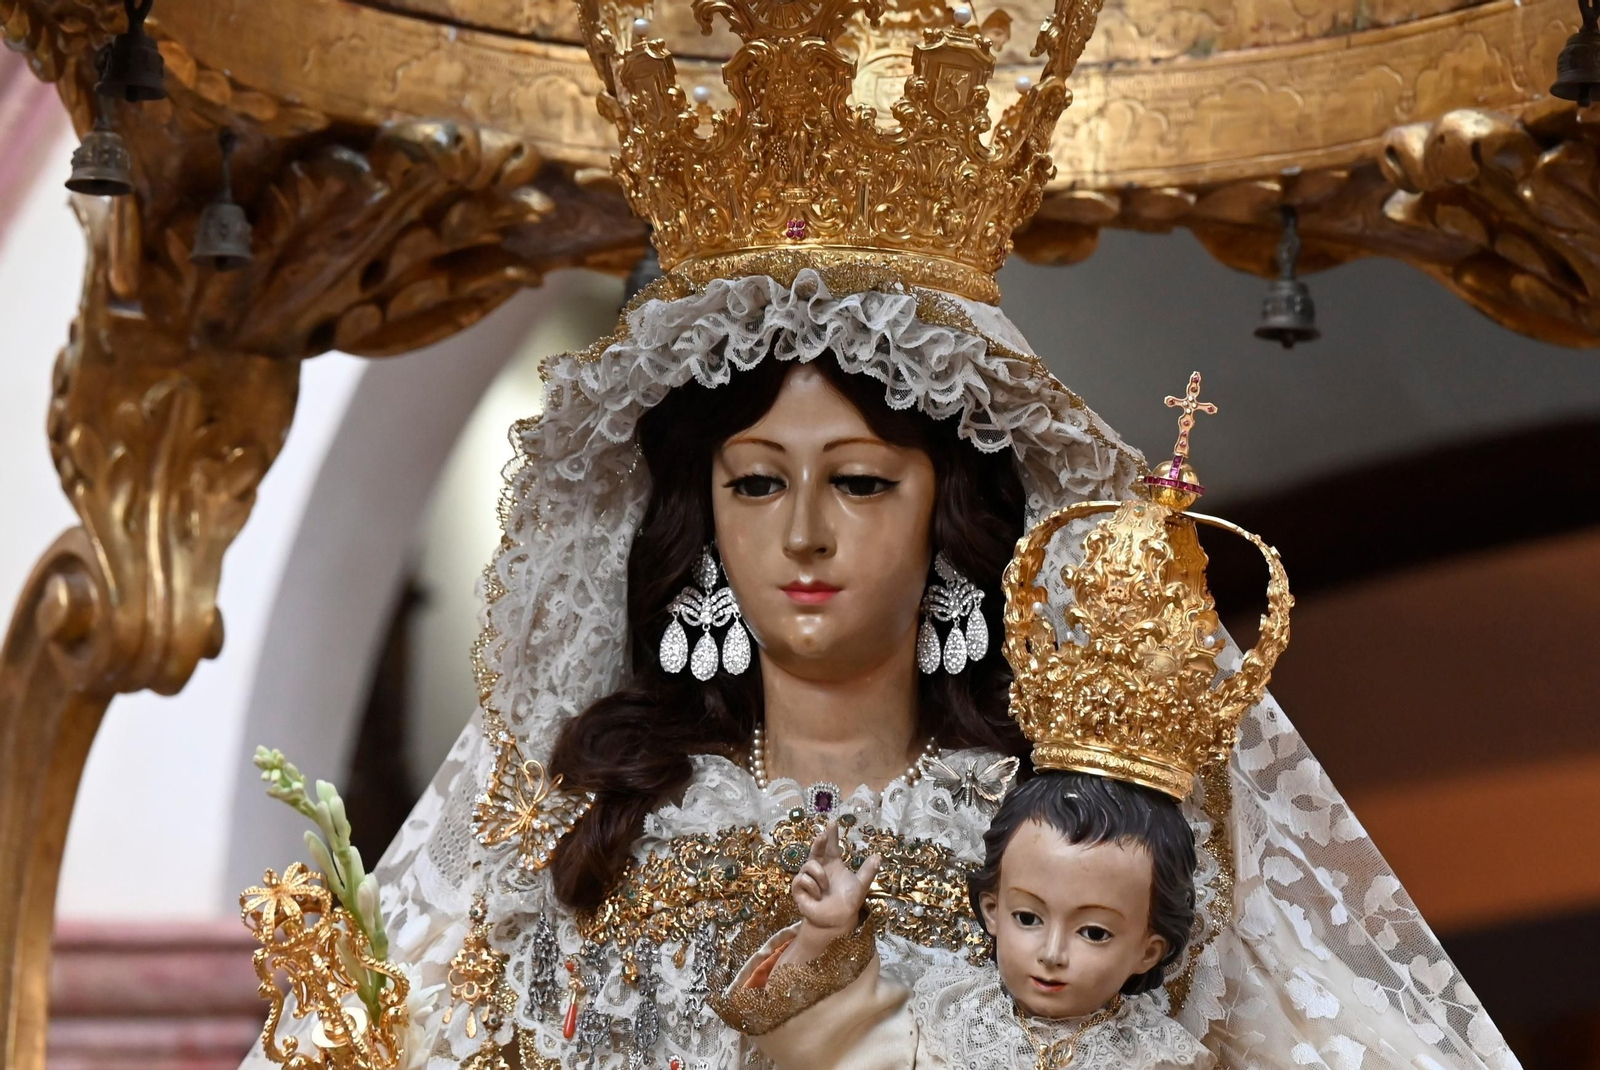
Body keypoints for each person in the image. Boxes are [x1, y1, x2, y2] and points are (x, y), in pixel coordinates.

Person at [237, 0, 1522, 1066]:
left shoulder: (1057, 839)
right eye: (753, 484)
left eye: (858, 482)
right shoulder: (590, 824)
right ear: (698, 519)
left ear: (946, 518)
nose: (802, 532)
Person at [719, 775, 1213, 1070]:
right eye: (1028, 917)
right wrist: (824, 932)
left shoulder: (1161, 1058)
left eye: (1094, 932)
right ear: (993, 912)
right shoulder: (946, 1019)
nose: (1052, 952)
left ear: (1148, 951)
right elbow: (822, 1046)